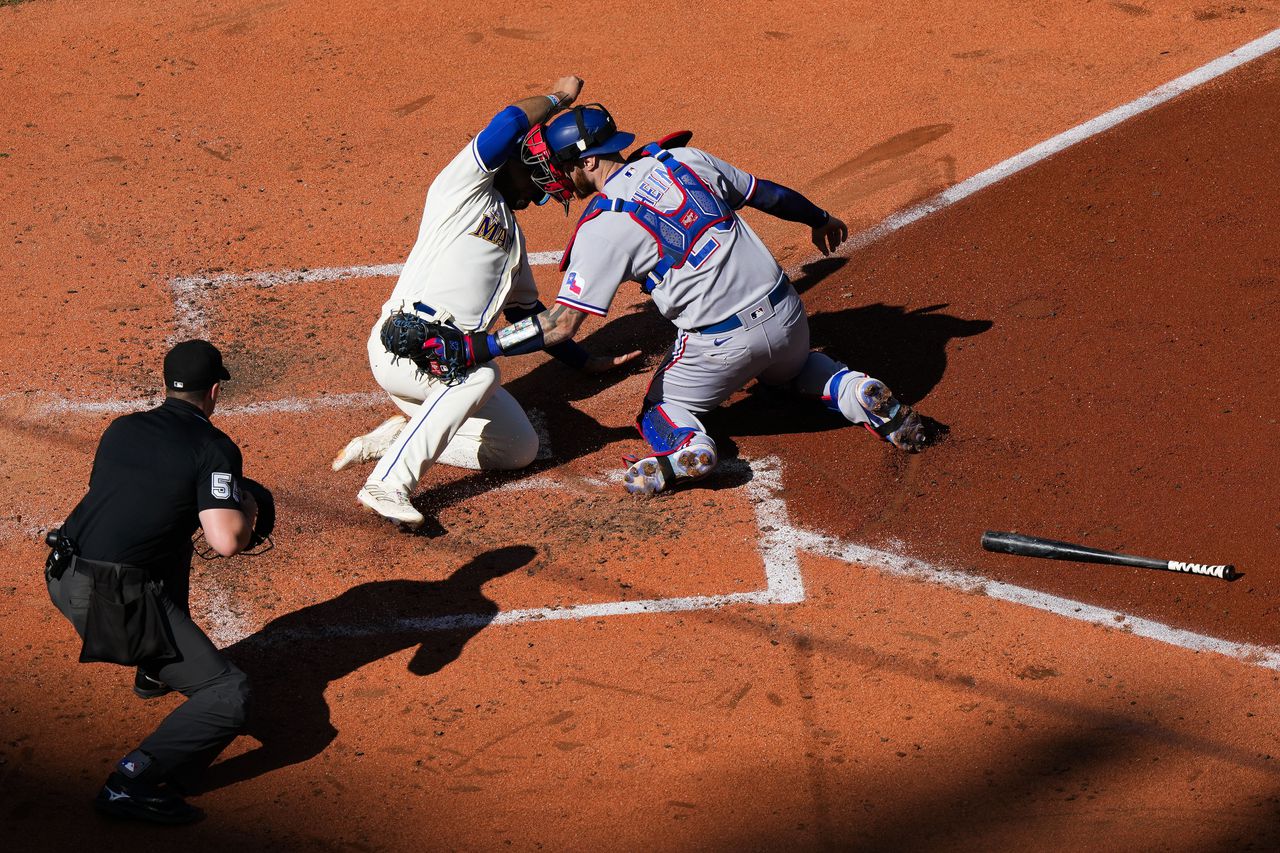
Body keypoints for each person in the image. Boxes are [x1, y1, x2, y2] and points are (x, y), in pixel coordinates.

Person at [386, 104, 934, 495]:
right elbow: (767, 194)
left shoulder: (603, 227)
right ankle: (855, 390)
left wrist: (475, 349)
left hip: (720, 349)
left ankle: (685, 451)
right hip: (790, 315)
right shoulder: (687, 160)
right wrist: (820, 218)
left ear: (583, 163)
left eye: (559, 165)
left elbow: (558, 328)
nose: (554, 176)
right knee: (794, 371)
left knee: (660, 407)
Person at [333, 75, 638, 529]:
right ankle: (388, 483)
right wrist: (559, 98)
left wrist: (585, 360)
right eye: (535, 181)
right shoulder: (460, 190)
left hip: (446, 366)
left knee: (518, 448)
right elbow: (509, 121)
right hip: (404, 345)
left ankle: (397, 438)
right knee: (482, 370)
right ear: (511, 162)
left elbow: (530, 316)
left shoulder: (514, 240)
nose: (538, 195)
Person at [45, 340, 259, 824]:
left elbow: (137, 502)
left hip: (61, 572)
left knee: (174, 540)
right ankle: (129, 783)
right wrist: (248, 508)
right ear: (214, 392)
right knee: (229, 695)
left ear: (165, 384)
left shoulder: (121, 428)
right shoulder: (215, 448)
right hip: (110, 599)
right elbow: (226, 541)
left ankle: (153, 669)